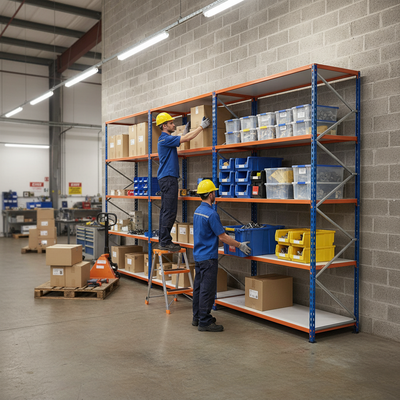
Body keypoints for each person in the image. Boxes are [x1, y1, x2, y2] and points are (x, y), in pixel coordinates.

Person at [192, 179, 251, 332]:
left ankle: (197, 317)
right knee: (207, 290)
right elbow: (223, 237)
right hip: (208, 258)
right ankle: (205, 322)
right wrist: (239, 245)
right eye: (214, 192)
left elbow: (205, 234)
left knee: (198, 287)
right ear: (210, 194)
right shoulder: (211, 214)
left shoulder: (197, 211)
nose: (215, 195)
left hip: (198, 255)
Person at [156, 112, 210, 251]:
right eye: (171, 123)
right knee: (170, 211)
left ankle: (163, 240)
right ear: (164, 126)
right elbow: (186, 139)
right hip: (168, 179)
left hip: (167, 178)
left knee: (166, 211)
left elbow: (182, 138)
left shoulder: (165, 139)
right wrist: (201, 127)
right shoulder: (165, 139)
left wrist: (184, 132)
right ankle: (165, 242)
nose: (173, 125)